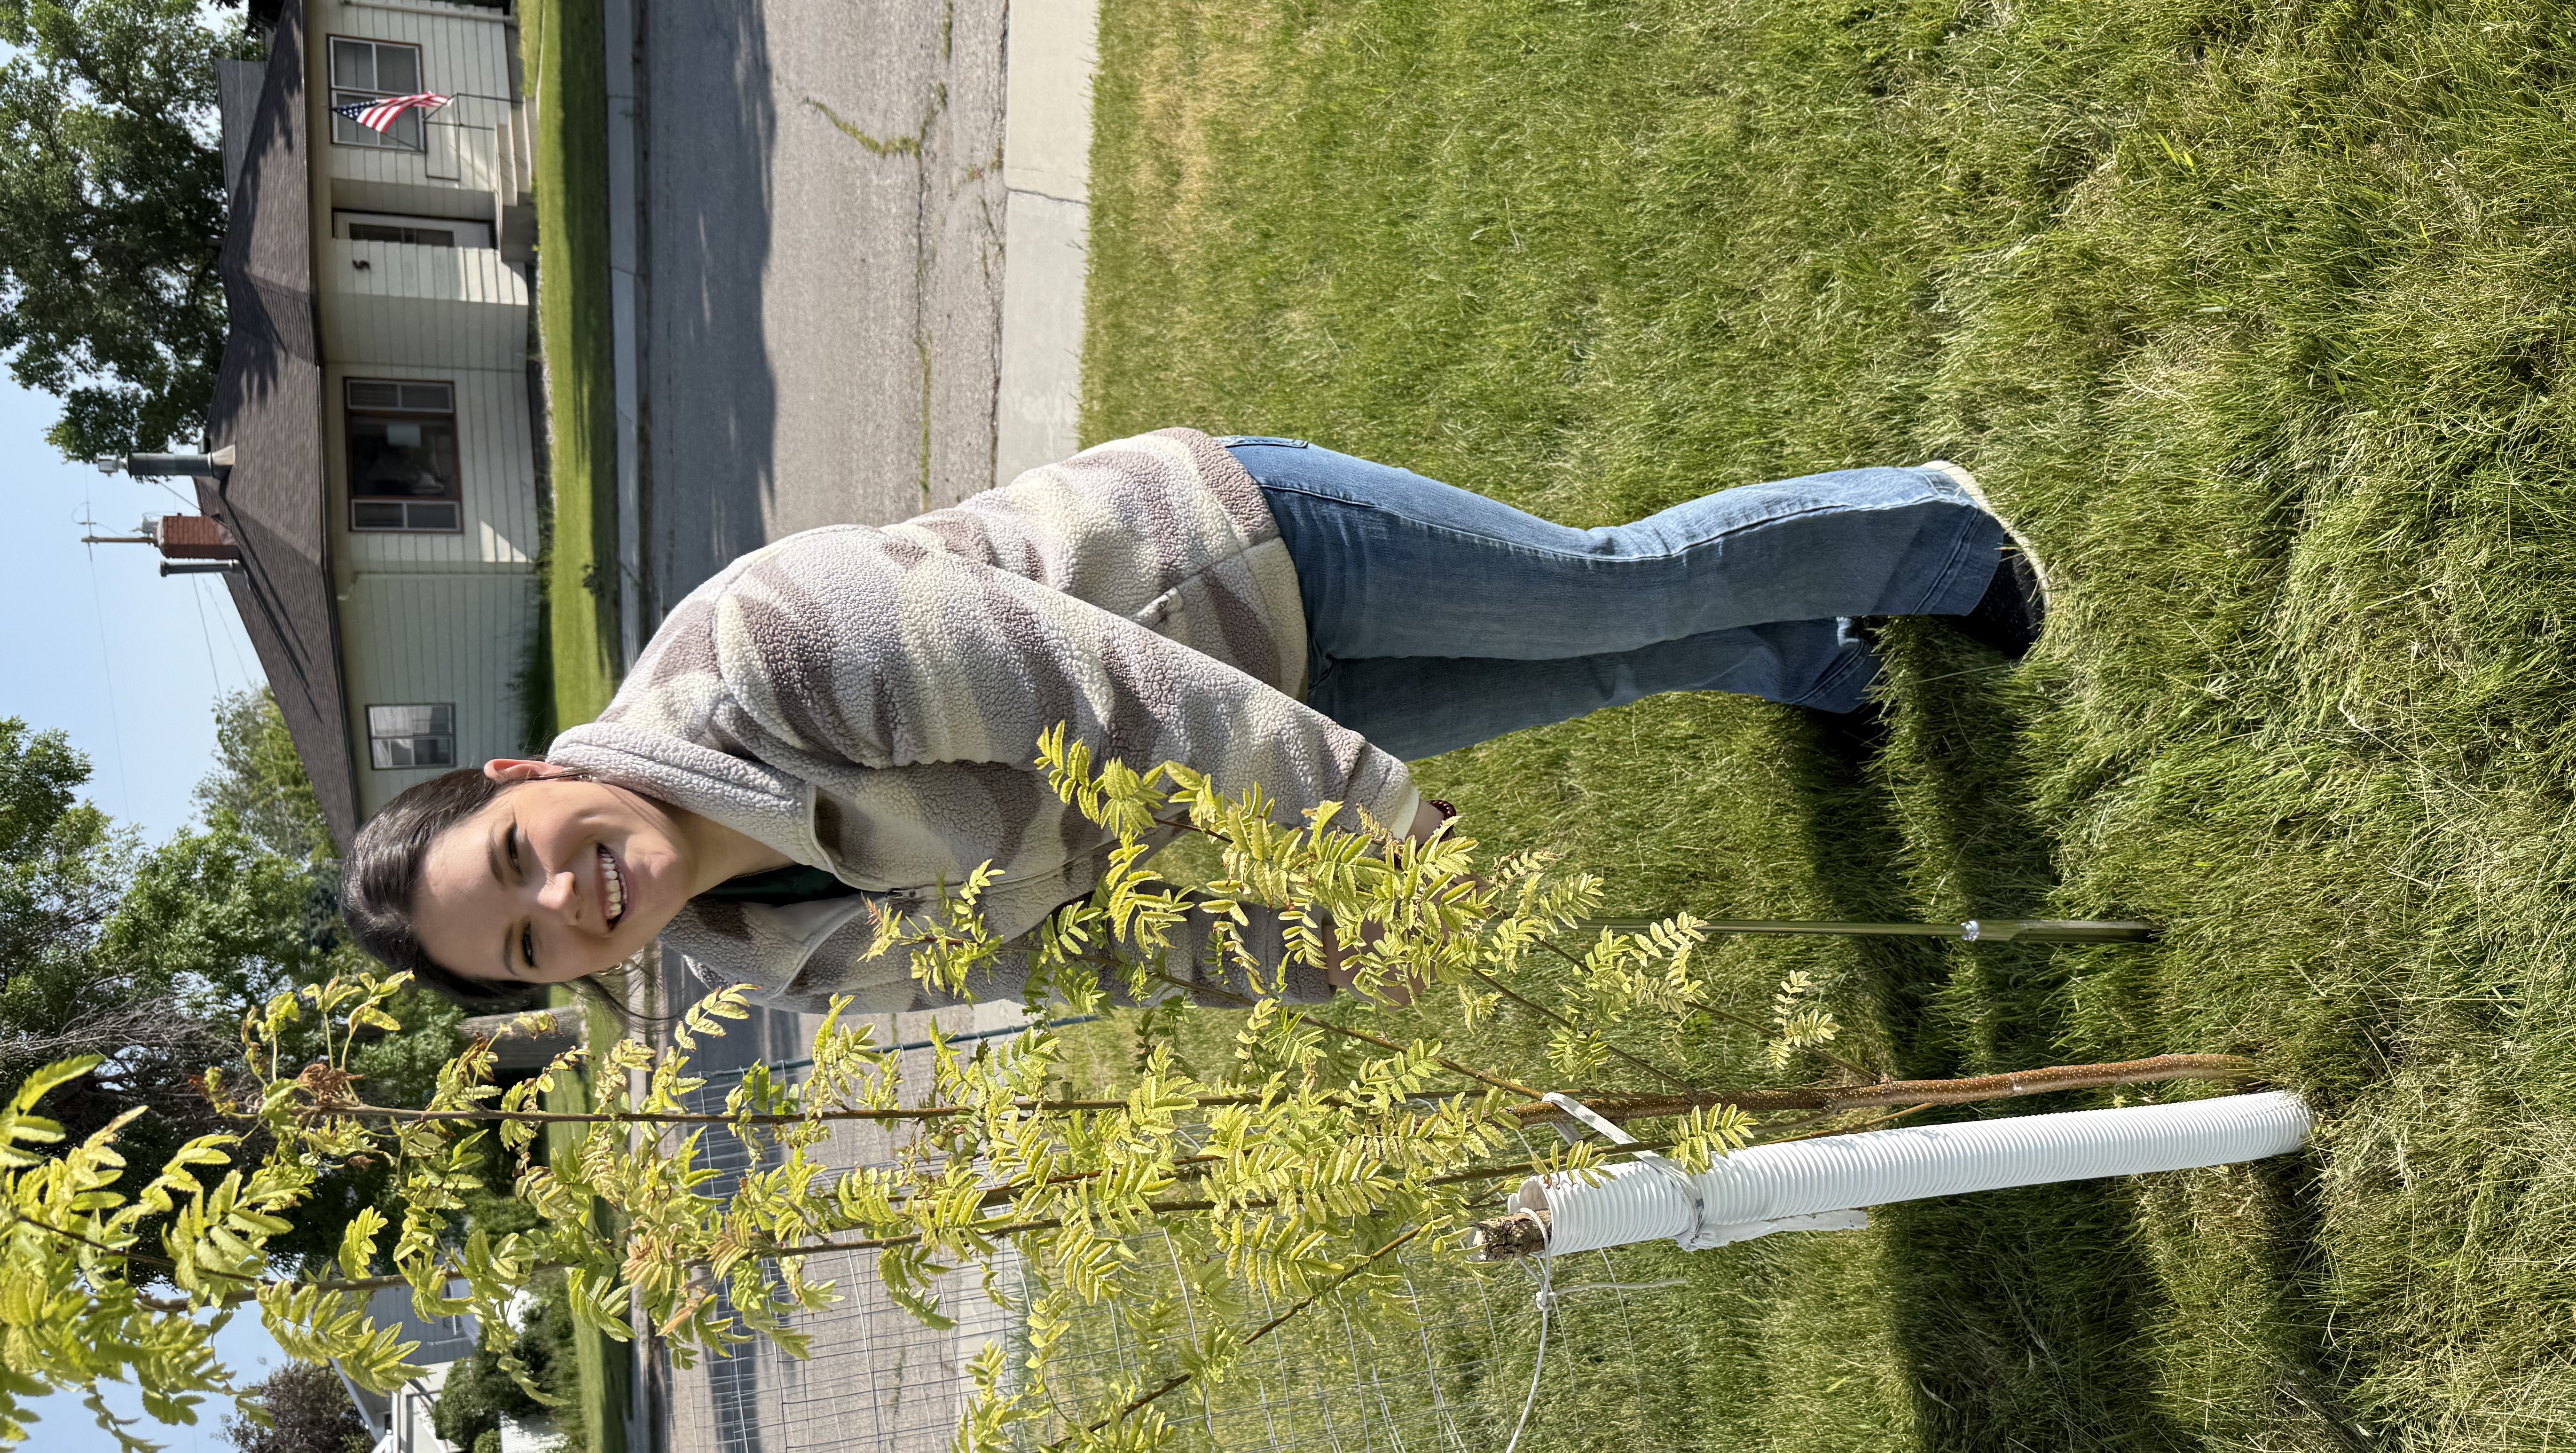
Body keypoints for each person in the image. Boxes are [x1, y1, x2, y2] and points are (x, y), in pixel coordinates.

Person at [338, 429, 2042, 1013]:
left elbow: (1105, 695)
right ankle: (1821, 659)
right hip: (1239, 766)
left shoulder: (761, 653)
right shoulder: (761, 956)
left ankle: (1934, 528)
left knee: (1601, 591)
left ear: (522, 776)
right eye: (526, 948)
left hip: (1229, 563)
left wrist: (1367, 841)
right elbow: (1078, 949)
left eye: (517, 860)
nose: (567, 904)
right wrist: (1327, 960)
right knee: (1593, 676)